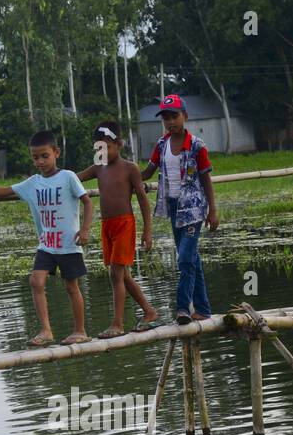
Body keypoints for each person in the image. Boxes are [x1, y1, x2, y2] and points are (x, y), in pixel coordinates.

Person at [0, 130, 92, 347]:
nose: (40, 161)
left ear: (56, 153)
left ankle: (80, 331)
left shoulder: (68, 177)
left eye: (45, 156)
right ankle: (46, 330)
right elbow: (6, 191)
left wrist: (86, 230)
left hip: (69, 244)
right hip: (46, 244)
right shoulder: (33, 183)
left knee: (72, 287)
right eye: (35, 157)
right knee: (36, 281)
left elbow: (88, 202)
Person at [140, 95, 219, 325]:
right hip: (173, 207)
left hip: (193, 209)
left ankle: (183, 308)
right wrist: (126, 175)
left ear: (185, 116)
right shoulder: (161, 145)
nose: (170, 121)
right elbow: (147, 172)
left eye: (174, 116)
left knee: (184, 258)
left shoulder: (197, 146)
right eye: (165, 117)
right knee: (192, 259)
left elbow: (207, 179)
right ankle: (203, 309)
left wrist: (212, 210)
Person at [77, 121, 160, 337]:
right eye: (98, 149)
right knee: (121, 275)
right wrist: (52, 178)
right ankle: (149, 311)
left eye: (106, 147)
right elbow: (74, 178)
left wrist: (147, 231)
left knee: (116, 273)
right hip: (107, 225)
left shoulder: (129, 168)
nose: (101, 152)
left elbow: (142, 199)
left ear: (119, 144)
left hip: (124, 223)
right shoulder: (98, 167)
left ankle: (117, 324)